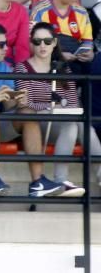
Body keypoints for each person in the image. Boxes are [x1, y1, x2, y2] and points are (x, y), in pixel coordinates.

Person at [0, 20, 63, 198]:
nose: (6, 48)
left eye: (6, 44)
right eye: (1, 45)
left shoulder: (4, 67)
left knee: (28, 114)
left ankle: (37, 182)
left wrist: (18, 101)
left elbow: (7, 106)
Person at [16, 22, 101, 197]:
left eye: (47, 41)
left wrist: (57, 107)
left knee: (81, 126)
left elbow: (73, 102)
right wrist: (49, 107)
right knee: (72, 124)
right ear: (31, 42)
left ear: (54, 43)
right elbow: (25, 104)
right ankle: (61, 179)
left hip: (60, 122)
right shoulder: (22, 68)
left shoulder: (63, 68)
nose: (42, 46)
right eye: (37, 41)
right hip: (37, 124)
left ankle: (82, 178)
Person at [29, 0, 94, 58]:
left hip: (77, 61)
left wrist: (89, 54)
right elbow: (32, 45)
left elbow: (88, 42)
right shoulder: (40, 11)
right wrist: (59, 55)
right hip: (49, 62)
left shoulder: (82, 12)